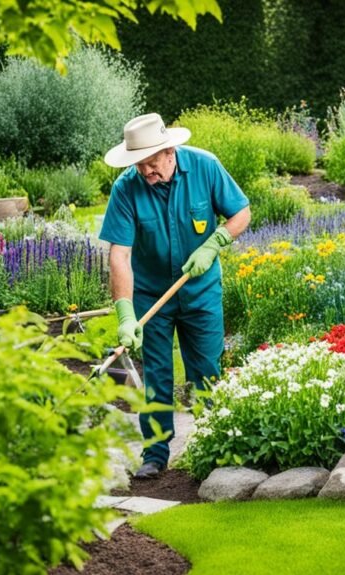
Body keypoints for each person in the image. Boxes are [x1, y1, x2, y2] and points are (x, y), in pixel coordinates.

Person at [100, 113, 251, 479]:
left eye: (152, 164)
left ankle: (213, 445)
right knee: (157, 375)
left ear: (170, 152)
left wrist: (215, 243)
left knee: (206, 371)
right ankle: (155, 454)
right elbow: (119, 255)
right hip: (152, 296)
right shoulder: (126, 188)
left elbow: (241, 213)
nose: (146, 172)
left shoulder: (205, 167)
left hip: (200, 293)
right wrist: (125, 315)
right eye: (140, 166)